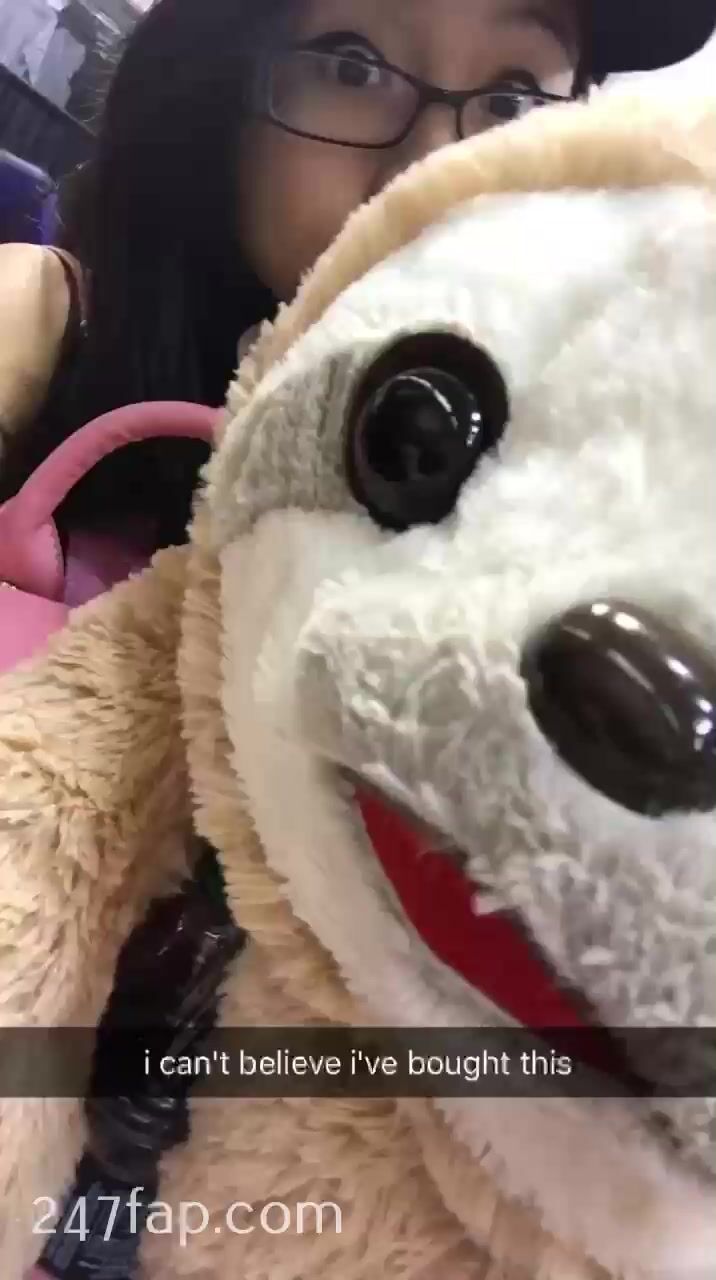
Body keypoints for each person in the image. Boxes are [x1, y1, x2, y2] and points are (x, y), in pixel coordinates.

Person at [2, 0, 715, 553]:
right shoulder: (43, 327)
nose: (428, 172)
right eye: (354, 67)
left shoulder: (578, 476)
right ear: (225, 90)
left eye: (512, 100)